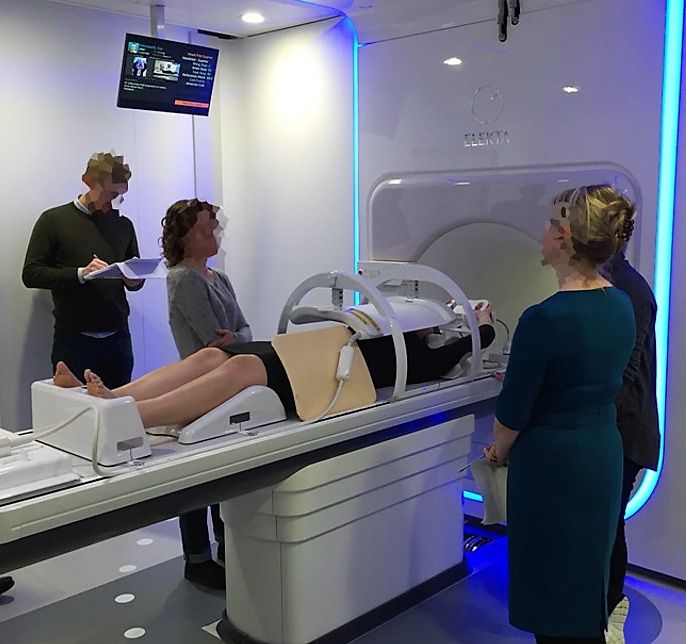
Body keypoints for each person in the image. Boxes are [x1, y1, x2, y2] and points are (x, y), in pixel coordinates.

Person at [485, 185, 637, 644]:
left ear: (565, 238)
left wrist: (497, 449)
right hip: (600, 454)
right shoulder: (622, 304)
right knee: (583, 583)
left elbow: (512, 415)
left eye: (551, 223)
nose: (543, 231)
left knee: (552, 592)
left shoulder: (543, 318)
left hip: (553, 465)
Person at [52, 306, 495, 430]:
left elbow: (458, 352)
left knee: (241, 368)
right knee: (210, 356)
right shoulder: (383, 328)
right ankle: (117, 392)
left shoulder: (422, 357)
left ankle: (132, 413)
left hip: (325, 377)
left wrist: (483, 327)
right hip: (307, 352)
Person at [162, 198, 252, 590]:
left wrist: (238, 340)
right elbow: (214, 341)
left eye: (212, 226)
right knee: (199, 478)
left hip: (225, 384)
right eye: (203, 229)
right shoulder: (184, 280)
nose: (212, 234)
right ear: (183, 238)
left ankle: (223, 547)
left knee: (221, 471)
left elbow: (244, 331)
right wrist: (238, 341)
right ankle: (197, 558)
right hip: (201, 387)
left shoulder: (219, 278)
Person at [23, 152, 144, 389]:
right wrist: (80, 274)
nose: (114, 203)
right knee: (71, 412)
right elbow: (31, 273)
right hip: (74, 339)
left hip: (118, 338)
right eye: (110, 194)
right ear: (88, 181)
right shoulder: (53, 220)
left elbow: (134, 274)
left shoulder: (123, 225)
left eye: (120, 196)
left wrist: (134, 280)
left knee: (117, 411)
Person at [601, 243, 659, 643]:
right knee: (603, 521)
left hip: (626, 430)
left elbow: (627, 368)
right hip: (613, 426)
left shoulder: (630, 291)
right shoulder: (611, 285)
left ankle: (610, 607)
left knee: (609, 522)